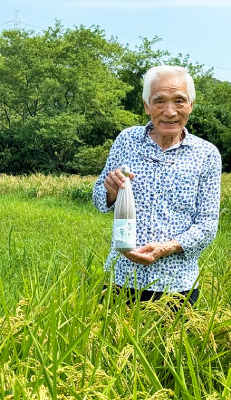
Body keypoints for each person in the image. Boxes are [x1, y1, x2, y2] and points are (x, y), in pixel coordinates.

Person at [92, 65, 222, 307]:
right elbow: (99, 199)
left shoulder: (206, 154)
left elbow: (207, 225)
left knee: (168, 346)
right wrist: (109, 190)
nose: (169, 112)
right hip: (121, 276)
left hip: (177, 284)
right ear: (146, 106)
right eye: (159, 101)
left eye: (179, 101)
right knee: (110, 343)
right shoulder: (127, 140)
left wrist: (165, 248)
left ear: (191, 105)